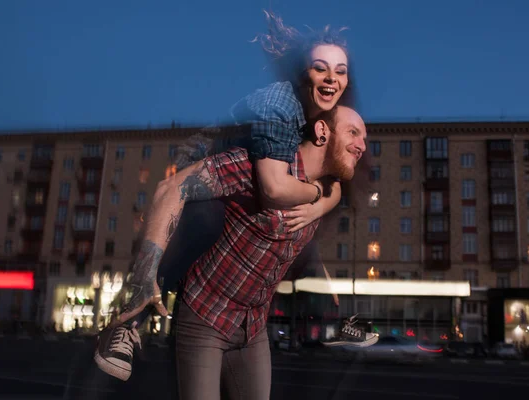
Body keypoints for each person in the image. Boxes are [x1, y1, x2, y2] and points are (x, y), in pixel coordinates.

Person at [94, 12, 374, 382]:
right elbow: (273, 188)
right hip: (208, 156)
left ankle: (332, 321)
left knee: (296, 237)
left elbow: (332, 183)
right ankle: (130, 319)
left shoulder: (313, 118)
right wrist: (311, 194)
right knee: (205, 225)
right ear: (304, 73)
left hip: (249, 312)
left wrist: (319, 202)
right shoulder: (282, 107)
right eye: (321, 68)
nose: (331, 78)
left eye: (340, 71)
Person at [173, 105, 370, 399]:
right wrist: (147, 273)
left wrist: (318, 201)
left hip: (253, 327)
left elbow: (335, 191)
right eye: (353, 133)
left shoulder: (328, 186)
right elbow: (175, 187)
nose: (362, 146)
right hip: (205, 315)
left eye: (364, 138)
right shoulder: (265, 163)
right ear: (321, 132)